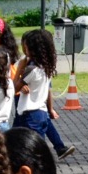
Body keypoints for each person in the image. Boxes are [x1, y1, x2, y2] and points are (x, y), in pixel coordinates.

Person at [15, 29, 75, 160]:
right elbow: (47, 90)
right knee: (30, 146)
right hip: (41, 112)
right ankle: (57, 151)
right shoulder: (45, 66)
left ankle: (42, 170)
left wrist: (20, 68)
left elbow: (14, 87)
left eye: (26, 46)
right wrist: (50, 108)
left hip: (30, 114)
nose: (24, 49)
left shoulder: (31, 69)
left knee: (33, 149)